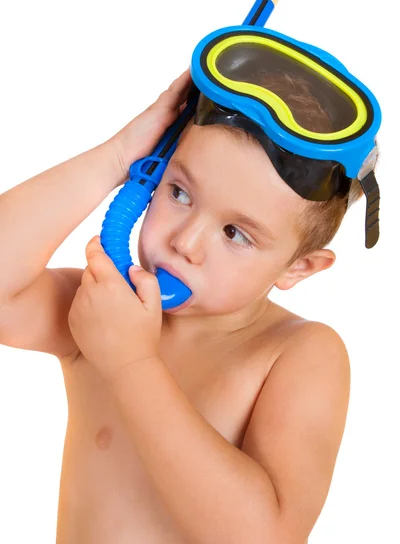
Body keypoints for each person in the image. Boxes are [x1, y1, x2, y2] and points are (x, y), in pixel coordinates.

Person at [0, 66, 371, 543]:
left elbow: (267, 535)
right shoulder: (103, 310)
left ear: (296, 268)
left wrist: (131, 364)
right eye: (179, 193)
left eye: (235, 233)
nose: (185, 242)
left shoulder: (298, 354)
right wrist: (115, 157)